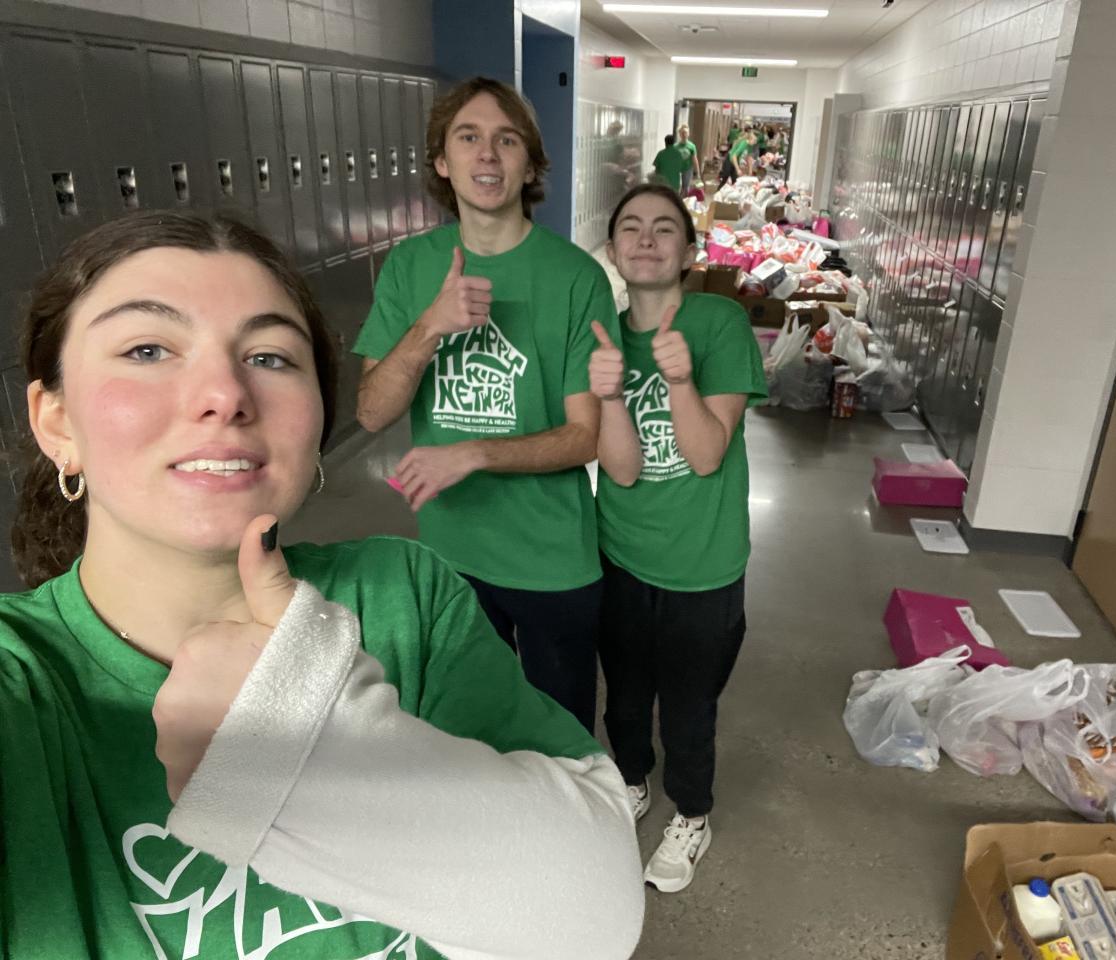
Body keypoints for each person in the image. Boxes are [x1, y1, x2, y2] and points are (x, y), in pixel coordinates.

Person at [0, 210, 644, 960]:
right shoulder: (22, 682)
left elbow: (594, 910)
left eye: (269, 356)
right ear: (56, 422)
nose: (224, 393)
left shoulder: (402, 595)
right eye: (147, 349)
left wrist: (296, 724)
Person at [354, 77, 619, 732]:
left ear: (530, 164)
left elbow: (585, 436)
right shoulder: (410, 268)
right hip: (452, 557)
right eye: (468, 137)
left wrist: (471, 453)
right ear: (442, 162)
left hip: (552, 560)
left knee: (561, 738)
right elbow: (371, 412)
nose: (487, 155)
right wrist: (429, 327)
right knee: (470, 735)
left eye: (507, 140)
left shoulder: (575, 277)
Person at [588, 184, 767, 893]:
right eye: (630, 227)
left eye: (664, 228)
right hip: (621, 555)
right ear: (612, 250)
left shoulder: (720, 323)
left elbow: (706, 454)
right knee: (625, 696)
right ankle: (632, 779)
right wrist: (608, 394)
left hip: (703, 563)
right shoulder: (604, 338)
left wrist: (681, 381)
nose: (646, 239)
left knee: (690, 707)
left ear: (689, 253)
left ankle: (692, 813)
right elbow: (623, 470)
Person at [675, 124, 699, 195]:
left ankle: (684, 200)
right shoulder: (675, 146)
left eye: (685, 132)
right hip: (677, 170)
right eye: (682, 133)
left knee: (685, 188)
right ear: (679, 134)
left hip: (687, 169)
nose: (684, 134)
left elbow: (695, 159)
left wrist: (697, 172)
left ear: (688, 134)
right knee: (677, 188)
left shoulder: (692, 146)